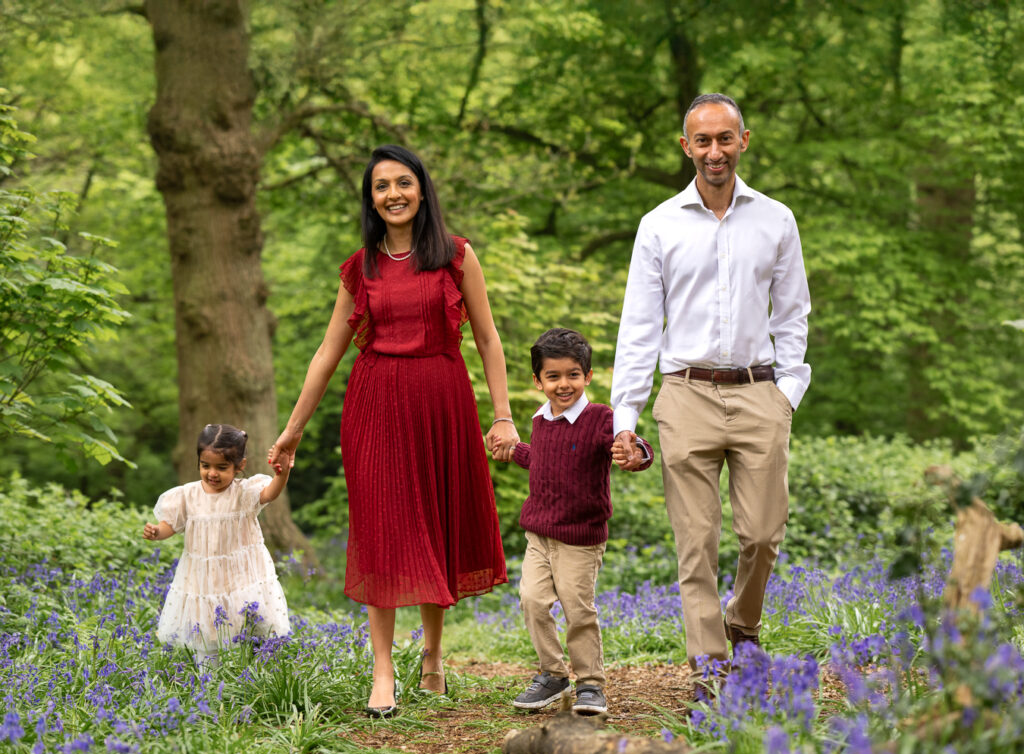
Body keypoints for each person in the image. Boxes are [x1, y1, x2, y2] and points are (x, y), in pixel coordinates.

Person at [269, 145, 515, 718]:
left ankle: (431, 655)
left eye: (403, 182)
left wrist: (501, 414)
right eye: (381, 186)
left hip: (442, 401)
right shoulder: (361, 268)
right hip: (375, 407)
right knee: (381, 530)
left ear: (422, 190)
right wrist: (292, 432)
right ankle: (383, 670)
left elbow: (487, 339)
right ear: (371, 199)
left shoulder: (456, 257)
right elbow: (329, 350)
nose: (394, 194)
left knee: (434, 522)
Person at [611, 94, 811, 689]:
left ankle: (742, 621)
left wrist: (788, 390)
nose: (714, 151)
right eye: (703, 140)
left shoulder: (776, 218)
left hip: (758, 393)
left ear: (743, 141)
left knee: (762, 534)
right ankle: (711, 670)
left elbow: (794, 313)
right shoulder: (658, 225)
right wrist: (626, 413)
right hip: (685, 395)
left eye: (725, 138)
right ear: (685, 146)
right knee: (696, 545)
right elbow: (640, 326)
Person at [492, 328, 653, 715]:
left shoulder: (601, 418)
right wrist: (516, 452)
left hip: (580, 539)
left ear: (588, 376)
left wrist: (636, 453)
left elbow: (634, 446)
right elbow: (546, 461)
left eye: (573, 375)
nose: (564, 384)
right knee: (531, 601)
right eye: (553, 376)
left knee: (578, 609)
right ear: (538, 381)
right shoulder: (540, 420)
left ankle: (591, 684)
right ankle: (553, 673)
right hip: (539, 535)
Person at [143, 423, 292, 665]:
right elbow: (171, 525)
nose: (212, 473)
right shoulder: (187, 495)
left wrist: (282, 473)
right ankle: (209, 683)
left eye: (221, 467)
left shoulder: (243, 493)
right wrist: (157, 532)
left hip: (243, 575)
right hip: (205, 578)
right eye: (205, 466)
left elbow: (269, 494)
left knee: (255, 621)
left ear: (239, 466)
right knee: (207, 626)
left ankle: (261, 671)